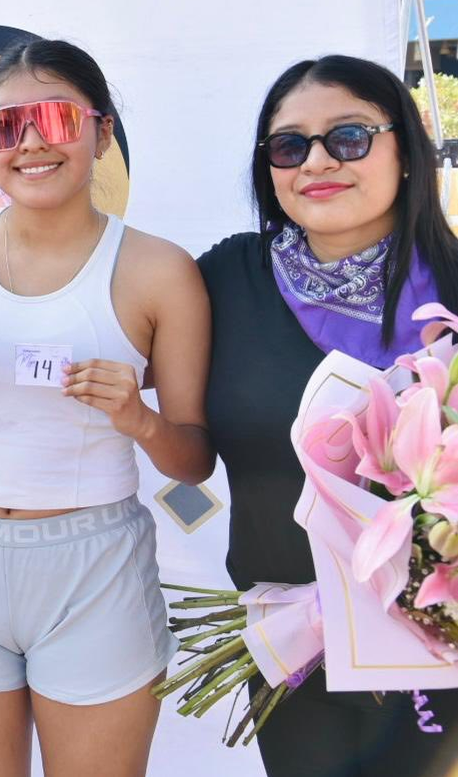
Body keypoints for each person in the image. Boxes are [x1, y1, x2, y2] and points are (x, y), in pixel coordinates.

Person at [0, 38, 213, 777]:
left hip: (92, 568)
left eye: (54, 120)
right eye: (3, 127)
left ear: (102, 132)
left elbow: (194, 460)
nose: (29, 144)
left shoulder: (160, 271)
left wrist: (140, 420)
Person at [199, 55, 458, 776]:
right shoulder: (229, 279)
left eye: (348, 137)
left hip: (437, 640)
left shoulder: (454, 284)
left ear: (406, 148)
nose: (316, 161)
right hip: (293, 642)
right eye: (290, 146)